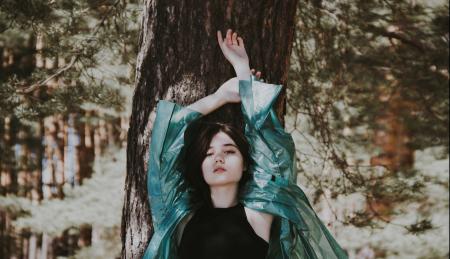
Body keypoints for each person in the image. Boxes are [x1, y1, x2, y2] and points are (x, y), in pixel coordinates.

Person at [143, 29, 348, 259]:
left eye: (229, 151)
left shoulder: (257, 216)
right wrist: (219, 97)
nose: (218, 158)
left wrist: (243, 74)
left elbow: (271, 154)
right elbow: (166, 142)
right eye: (208, 154)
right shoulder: (181, 218)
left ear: (245, 165)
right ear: (199, 166)